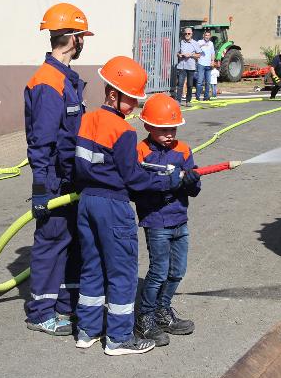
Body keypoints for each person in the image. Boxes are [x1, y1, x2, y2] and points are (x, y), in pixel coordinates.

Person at [73, 56, 186, 356]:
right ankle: (119, 338)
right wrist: (167, 181)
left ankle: (87, 330)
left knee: (92, 267)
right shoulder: (124, 131)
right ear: (113, 95)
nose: (135, 105)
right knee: (122, 271)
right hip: (113, 206)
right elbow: (133, 178)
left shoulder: (86, 121)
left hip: (87, 202)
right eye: (132, 99)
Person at [23, 3, 93, 336]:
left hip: (71, 178)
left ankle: (65, 306)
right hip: (54, 181)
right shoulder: (48, 83)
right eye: (83, 36)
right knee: (51, 243)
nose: (84, 42)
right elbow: (42, 143)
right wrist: (40, 188)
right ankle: (40, 313)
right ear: (74, 38)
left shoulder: (65, 79)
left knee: (72, 241)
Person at [133, 93, 201, 347]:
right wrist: (166, 184)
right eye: (163, 129)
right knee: (159, 272)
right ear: (148, 126)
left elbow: (194, 188)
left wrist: (192, 182)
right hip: (156, 222)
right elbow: (136, 187)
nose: (169, 134)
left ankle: (163, 311)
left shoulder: (183, 150)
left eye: (173, 128)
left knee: (177, 271)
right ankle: (145, 318)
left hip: (180, 220)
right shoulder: (140, 151)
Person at [175, 27, 201, 107]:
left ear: (191, 34)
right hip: (182, 66)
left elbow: (199, 55)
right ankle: (178, 100)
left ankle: (188, 101)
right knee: (180, 84)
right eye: (185, 33)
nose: (187, 35)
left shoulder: (195, 43)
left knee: (190, 85)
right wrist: (179, 55)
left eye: (189, 33)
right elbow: (177, 53)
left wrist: (190, 55)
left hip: (191, 66)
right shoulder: (181, 42)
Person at [196, 30, 215, 101]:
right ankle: (197, 97)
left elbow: (212, 53)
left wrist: (212, 61)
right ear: (203, 36)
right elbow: (196, 48)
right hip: (201, 63)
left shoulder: (211, 43)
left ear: (210, 36)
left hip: (208, 65)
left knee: (208, 82)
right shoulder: (200, 42)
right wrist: (202, 45)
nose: (207, 36)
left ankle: (206, 97)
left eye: (208, 35)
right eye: (206, 35)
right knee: (200, 81)